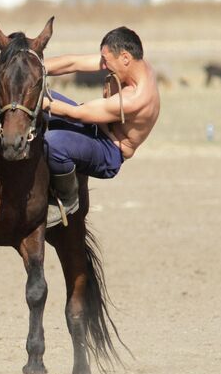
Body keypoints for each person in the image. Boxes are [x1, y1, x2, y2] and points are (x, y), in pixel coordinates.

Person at [41, 26, 160, 226]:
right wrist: (30, 66)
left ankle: (68, 199)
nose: (103, 66)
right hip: (96, 125)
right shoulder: (131, 62)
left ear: (124, 57)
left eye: (106, 61)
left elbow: (77, 114)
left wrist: (35, 101)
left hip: (109, 150)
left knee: (52, 143)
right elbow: (74, 62)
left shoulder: (136, 98)